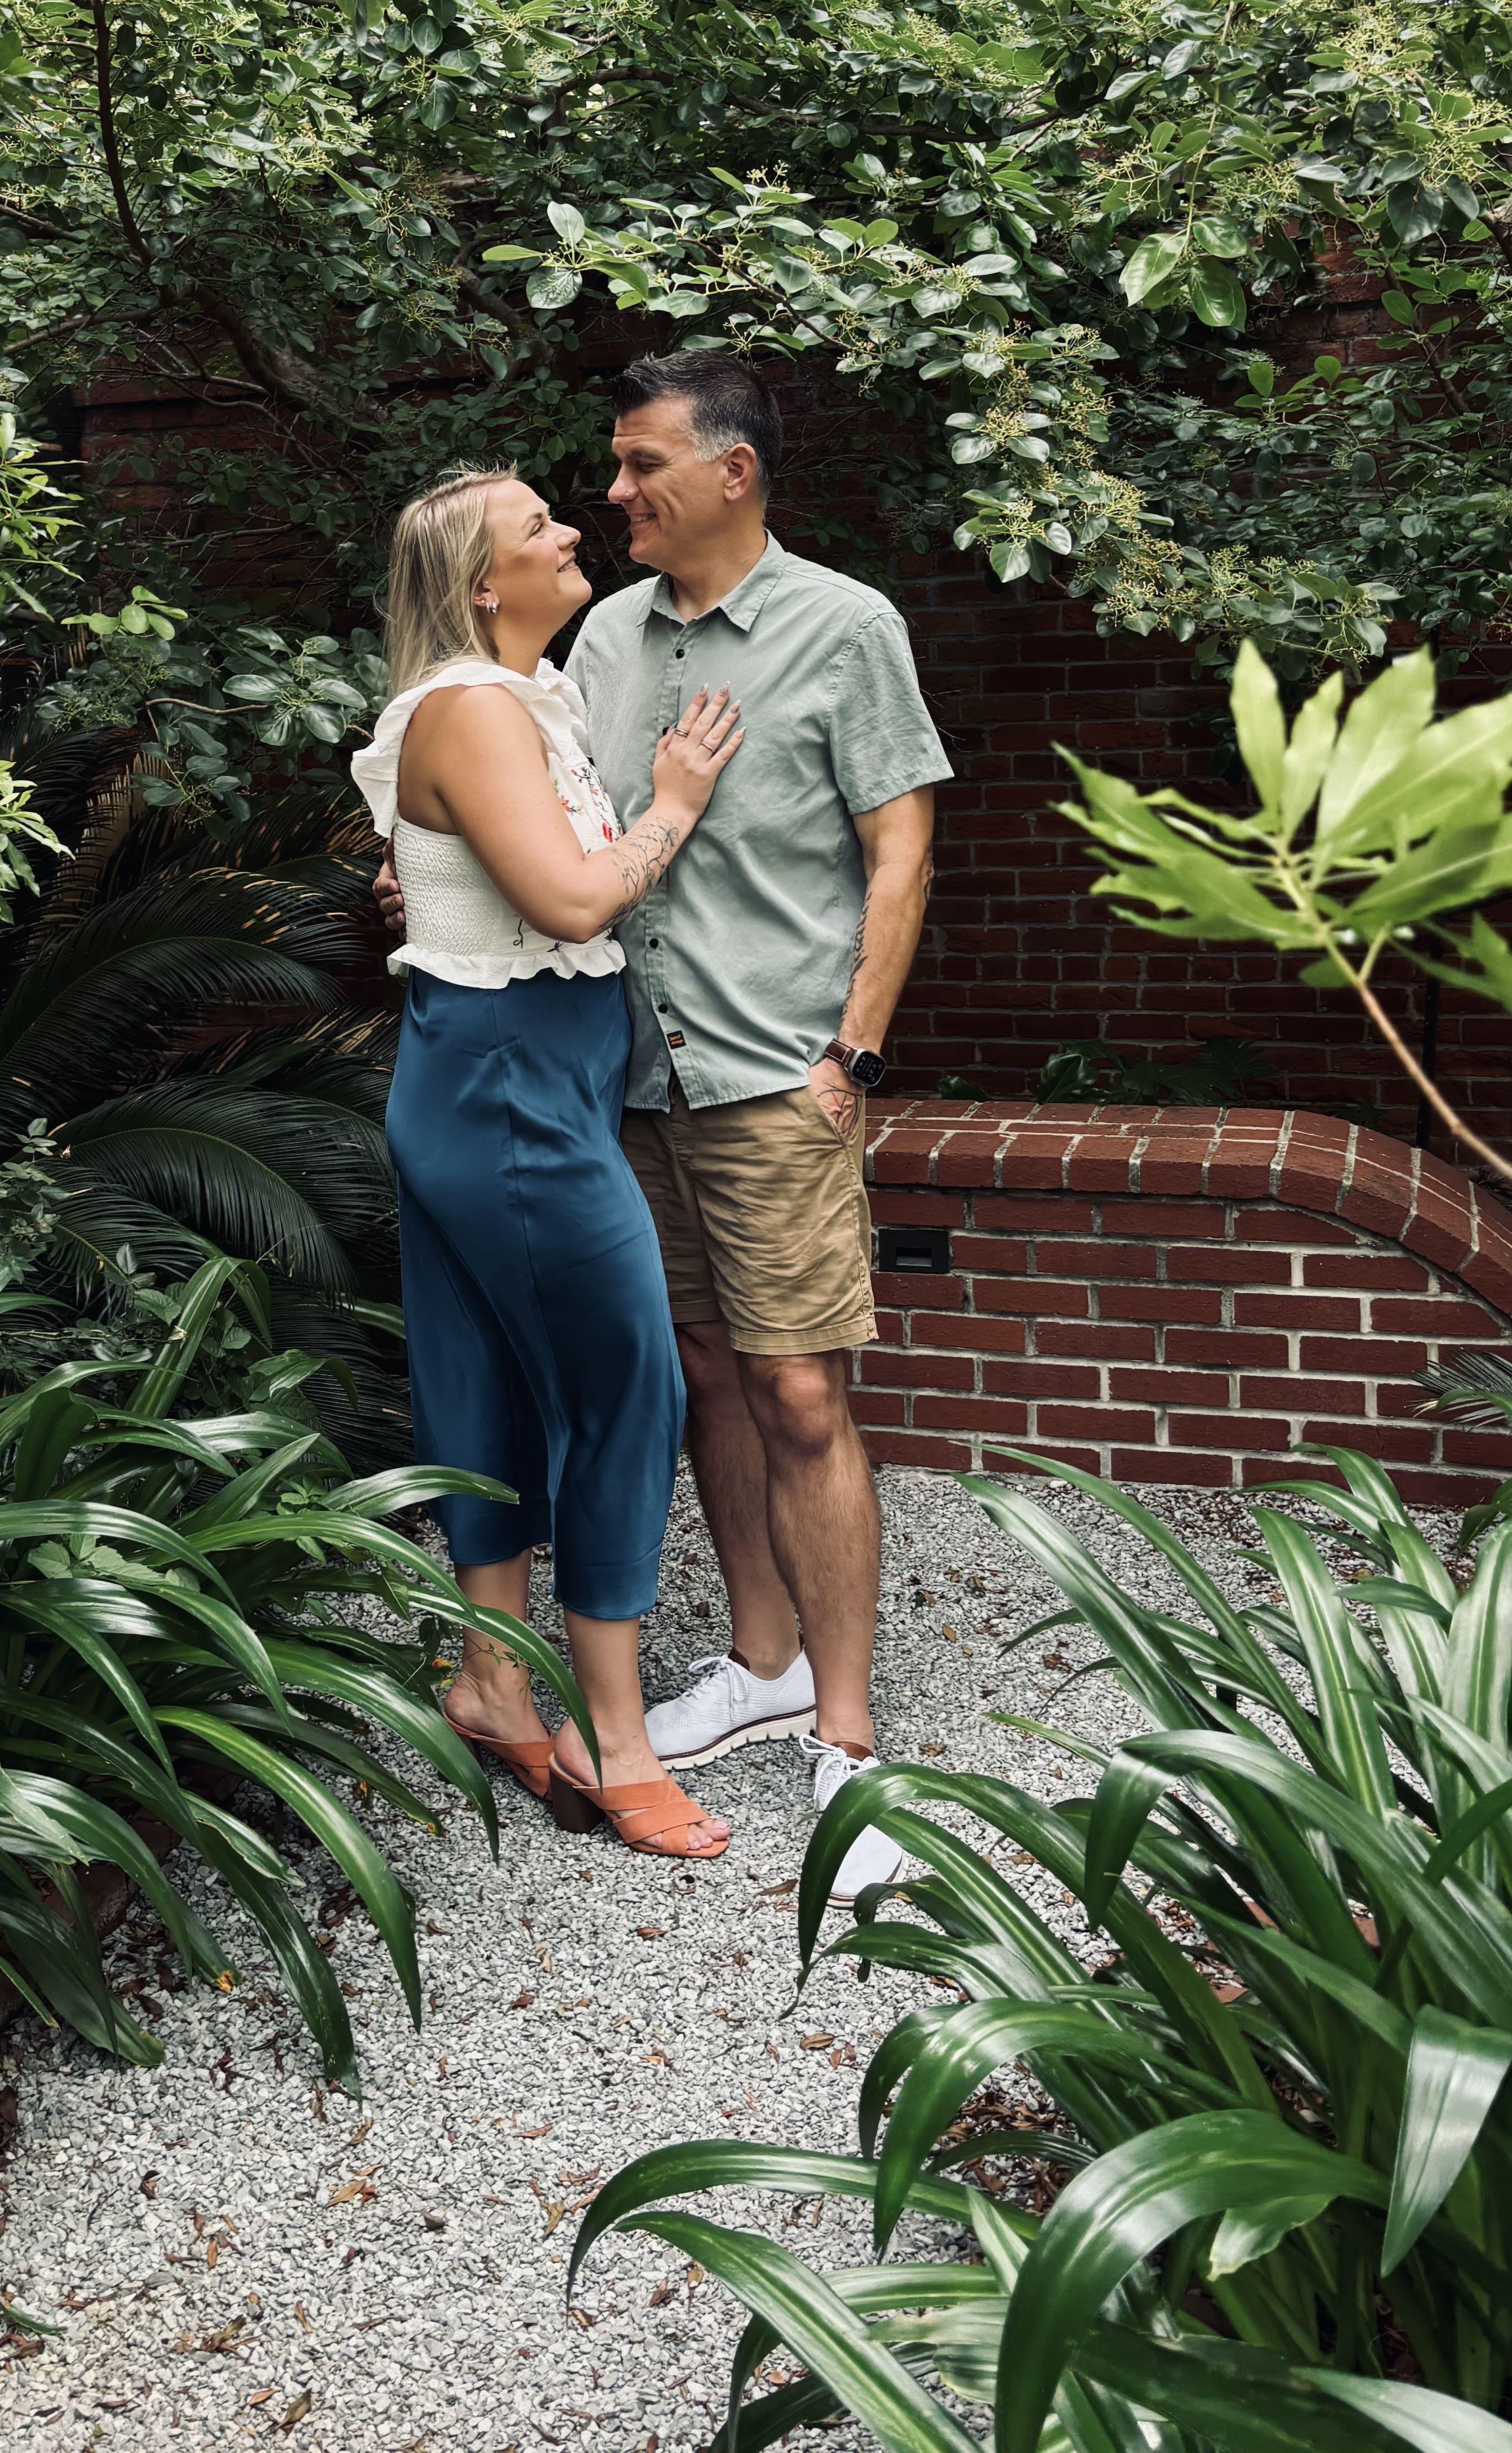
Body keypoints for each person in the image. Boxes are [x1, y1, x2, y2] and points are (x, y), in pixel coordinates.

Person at [569, 352, 950, 1901]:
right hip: (634, 1077)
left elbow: (901, 851)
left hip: (778, 1075)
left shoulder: (846, 626)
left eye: (642, 463)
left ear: (734, 471)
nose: (617, 491)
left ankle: (849, 1742)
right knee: (711, 1373)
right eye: (615, 464)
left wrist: (854, 1052)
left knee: (801, 1390)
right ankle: (763, 1663)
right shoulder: (604, 637)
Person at [349, 464, 747, 1860]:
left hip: (507, 1076)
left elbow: (460, 877)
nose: (571, 528)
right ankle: (615, 1739)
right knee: (629, 1384)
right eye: (537, 528)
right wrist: (676, 802)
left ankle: (492, 1683)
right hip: (509, 1087)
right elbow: (576, 900)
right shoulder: (471, 706)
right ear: (481, 586)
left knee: (491, 1380)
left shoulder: (525, 699)